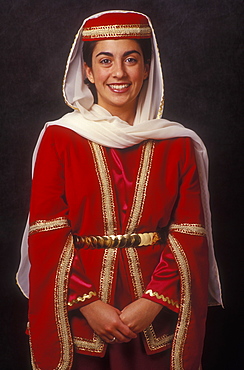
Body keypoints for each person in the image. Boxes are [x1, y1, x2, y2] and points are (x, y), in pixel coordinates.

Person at [17, 10, 222, 370]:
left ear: (146, 67)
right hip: (79, 317)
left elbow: (190, 233)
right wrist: (89, 304)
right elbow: (47, 232)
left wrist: (153, 300)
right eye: (105, 60)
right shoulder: (59, 138)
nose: (119, 72)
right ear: (87, 70)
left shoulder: (178, 143)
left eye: (131, 59)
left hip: (156, 317)